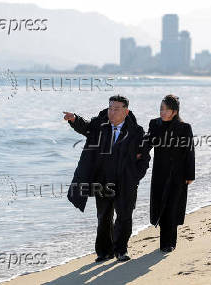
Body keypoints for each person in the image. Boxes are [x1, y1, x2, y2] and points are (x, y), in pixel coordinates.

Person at [63, 95, 150, 262]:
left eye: (116, 109)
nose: (112, 112)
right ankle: (104, 252)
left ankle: (121, 250)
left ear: (126, 111)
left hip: (126, 181)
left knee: (124, 216)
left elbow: (144, 158)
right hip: (103, 180)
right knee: (104, 216)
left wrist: (135, 177)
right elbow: (86, 127)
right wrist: (74, 119)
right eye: (110, 108)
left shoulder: (137, 132)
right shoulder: (99, 125)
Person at [140, 94, 195, 253]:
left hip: (179, 174)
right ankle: (165, 242)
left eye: (166, 109)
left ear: (175, 111)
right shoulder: (155, 124)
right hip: (160, 173)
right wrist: (136, 154)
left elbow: (189, 152)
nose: (162, 112)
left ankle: (169, 243)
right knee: (161, 207)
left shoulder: (185, 128)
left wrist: (190, 175)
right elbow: (147, 143)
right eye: (161, 109)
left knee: (172, 207)